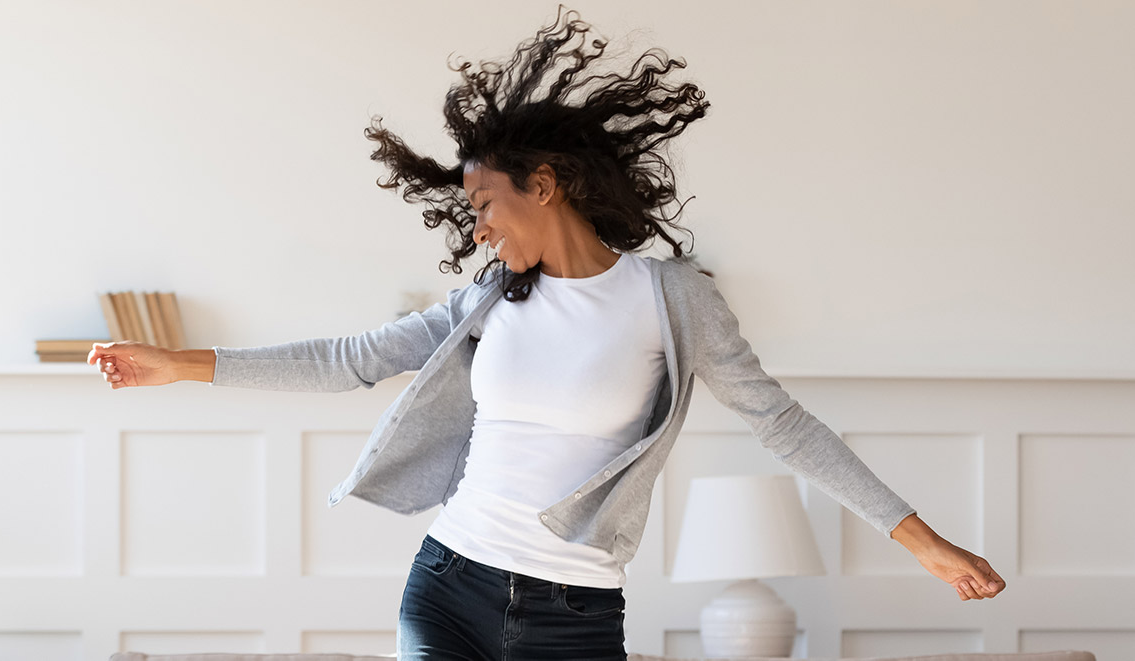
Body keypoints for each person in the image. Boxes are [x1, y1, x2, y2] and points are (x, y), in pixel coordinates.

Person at [86, 7, 1003, 660]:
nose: (477, 225)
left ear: (548, 183)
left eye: (485, 202)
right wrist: (178, 364)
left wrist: (922, 541)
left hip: (573, 615)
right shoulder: (490, 300)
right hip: (447, 585)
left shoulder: (671, 297)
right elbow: (352, 359)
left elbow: (783, 422)